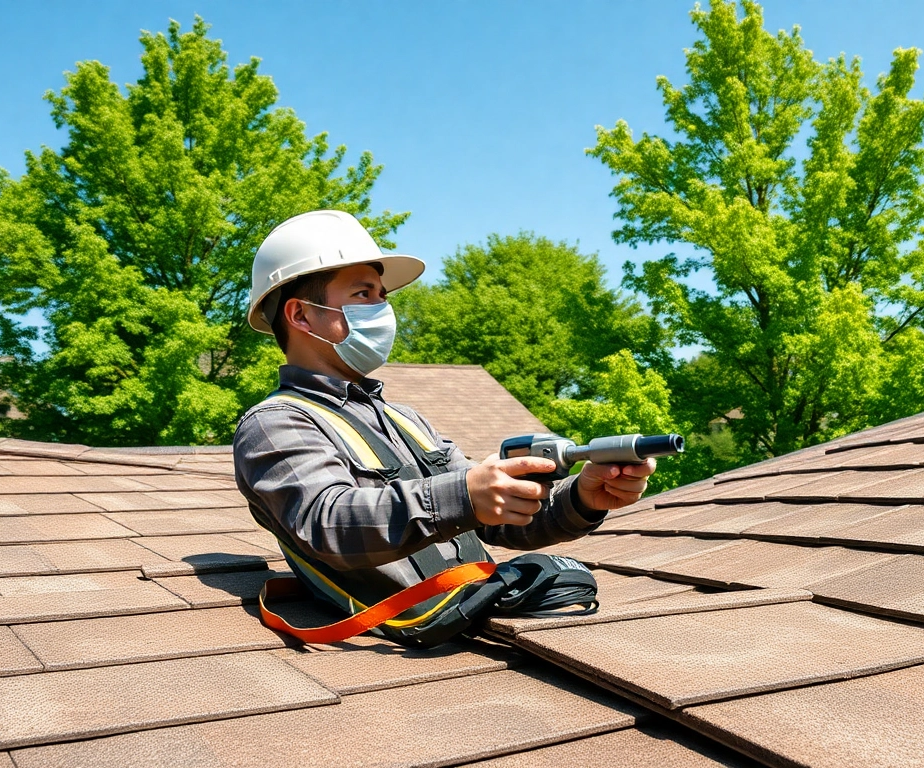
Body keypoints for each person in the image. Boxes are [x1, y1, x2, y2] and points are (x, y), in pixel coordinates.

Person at [232, 209, 655, 637]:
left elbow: (497, 517)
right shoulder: (275, 424)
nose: (383, 308)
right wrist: (461, 496)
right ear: (301, 316)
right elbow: (326, 522)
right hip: (404, 644)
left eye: (382, 294)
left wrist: (583, 497)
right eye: (363, 293)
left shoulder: (404, 418)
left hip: (472, 613)